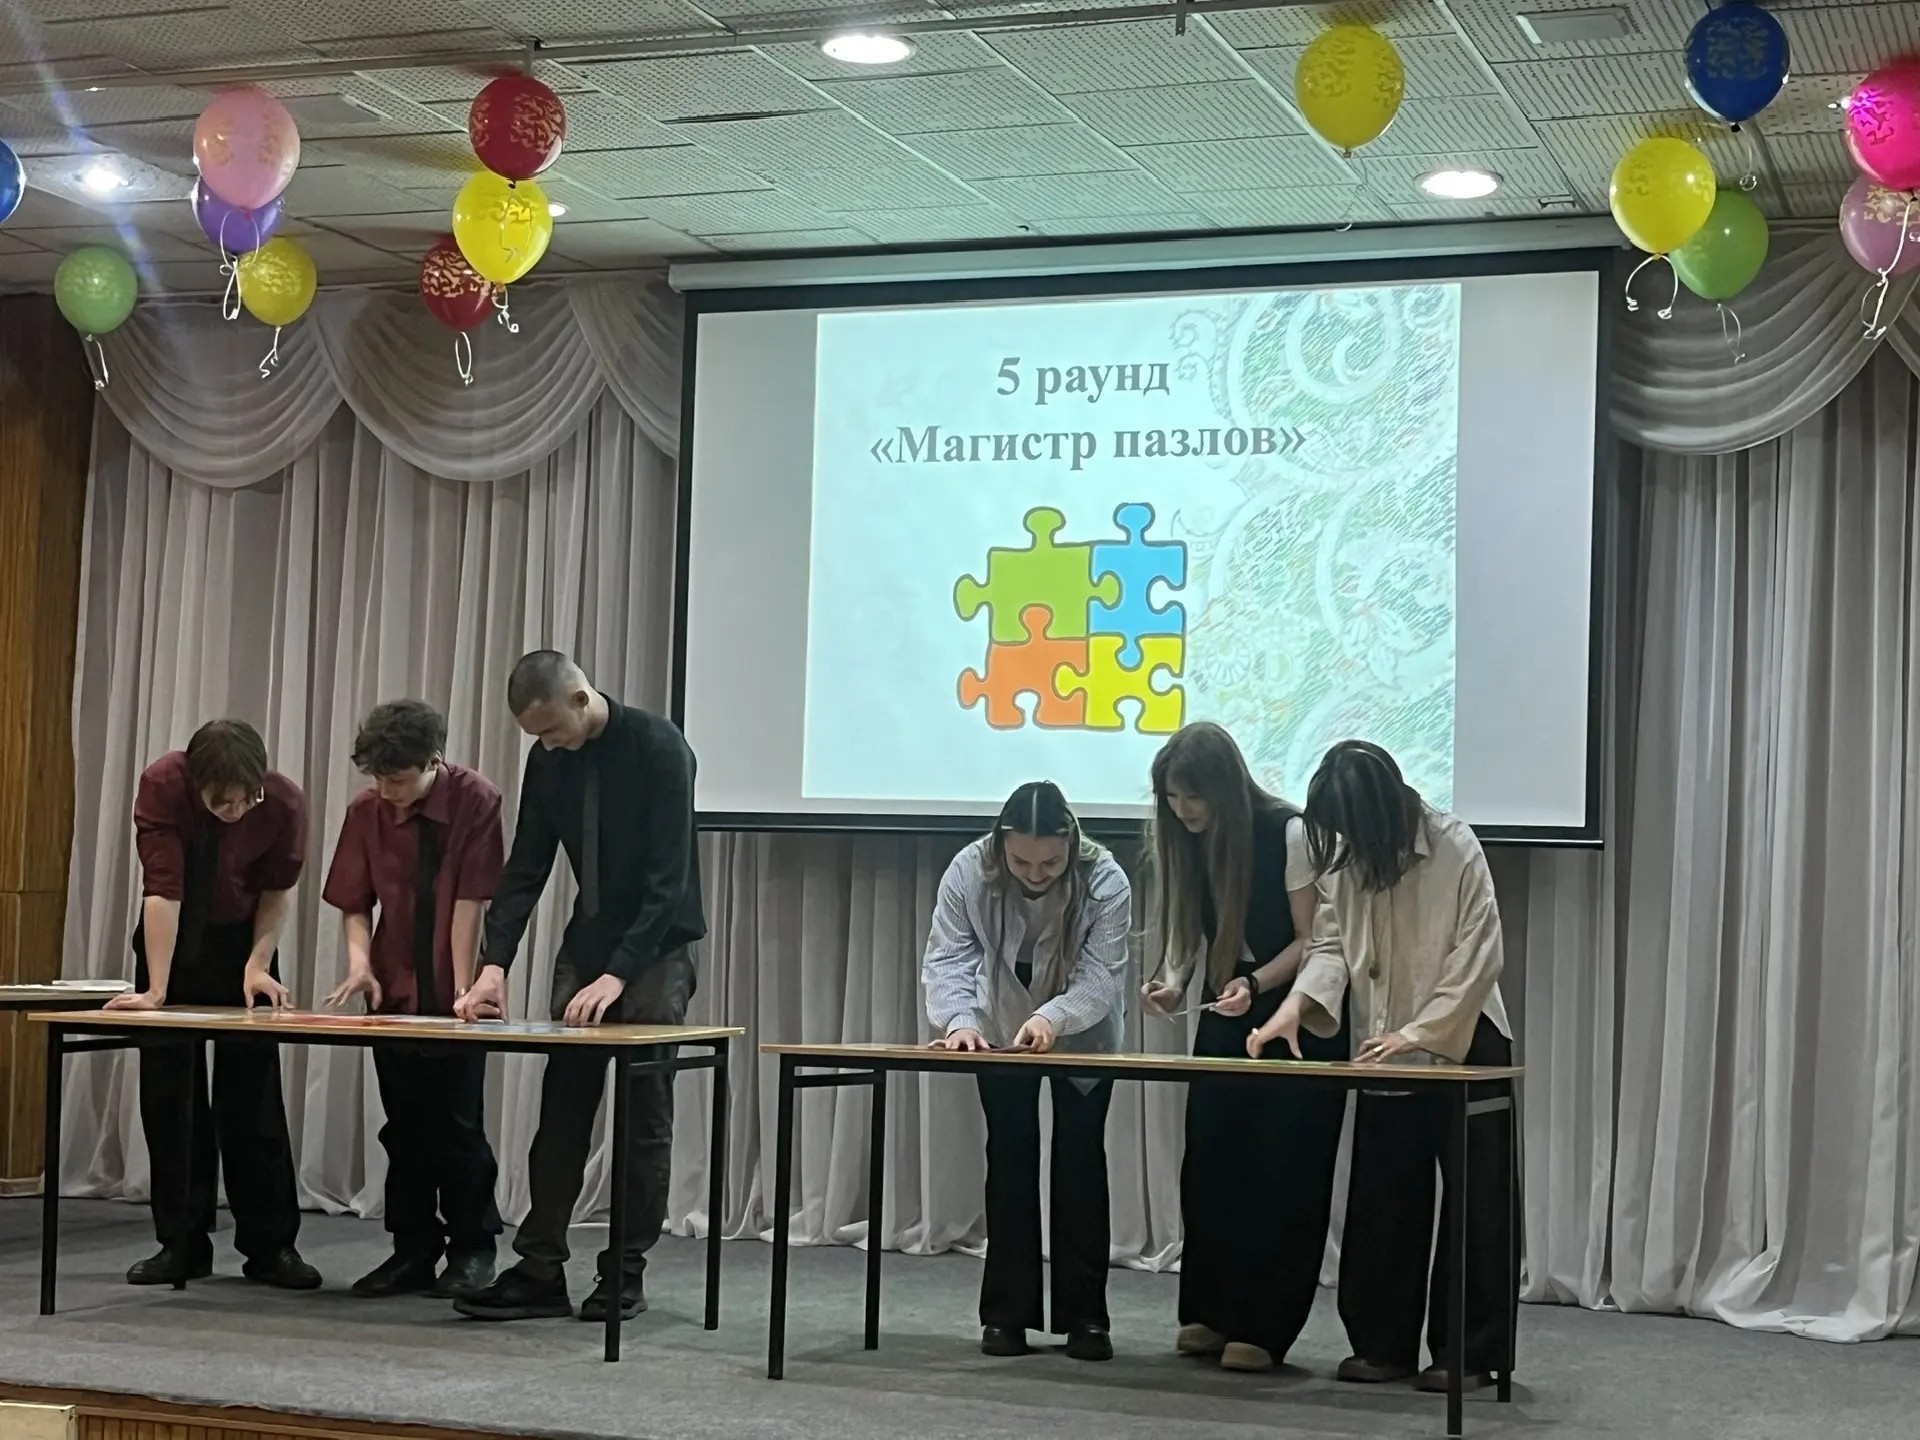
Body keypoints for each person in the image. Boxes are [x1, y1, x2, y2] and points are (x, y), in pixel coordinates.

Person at [1252, 739, 1516, 1394]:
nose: (1345, 844)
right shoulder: (1346, 856)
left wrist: (1419, 1032)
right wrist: (1295, 1007)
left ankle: (1468, 1353)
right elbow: (1331, 942)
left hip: (1468, 1041)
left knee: (1478, 1204)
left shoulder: (1453, 844)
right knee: (1383, 1195)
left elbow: (1479, 955)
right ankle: (1381, 1343)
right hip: (1382, 1044)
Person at [450, 651, 705, 1323]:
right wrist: (494, 964)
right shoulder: (549, 761)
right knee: (562, 1109)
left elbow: (669, 878)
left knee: (643, 1117)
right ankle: (540, 1268)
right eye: (534, 736)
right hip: (588, 946)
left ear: (581, 699)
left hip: (656, 951)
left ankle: (624, 1271)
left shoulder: (659, 748)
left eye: (551, 729)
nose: (546, 744)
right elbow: (526, 865)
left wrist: (619, 972)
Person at [1140, 722, 1347, 1373]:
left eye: (1193, 797)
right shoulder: (1186, 840)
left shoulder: (1288, 832)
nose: (1183, 811)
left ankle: (1265, 1325)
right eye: (1173, 798)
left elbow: (1313, 940)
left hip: (1297, 1013)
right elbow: (1191, 931)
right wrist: (1173, 983)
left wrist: (1256, 985)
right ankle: (1210, 1311)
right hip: (1226, 1008)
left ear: (1225, 789)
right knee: (1212, 1158)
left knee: (1281, 1168)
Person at [105, 719, 318, 1290]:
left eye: (246, 799)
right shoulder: (164, 784)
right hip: (171, 938)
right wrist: (156, 990)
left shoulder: (282, 801)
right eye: (222, 801)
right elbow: (162, 887)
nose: (236, 810)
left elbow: (276, 891)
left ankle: (271, 1247)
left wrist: (259, 962)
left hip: (244, 945)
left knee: (253, 1097)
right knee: (171, 1097)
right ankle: (181, 1244)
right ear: (197, 783)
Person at [924, 781, 1131, 1363]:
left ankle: (1086, 1318)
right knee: (1010, 1159)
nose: (1036, 875)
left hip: (1083, 1030)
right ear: (1001, 844)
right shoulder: (968, 869)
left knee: (1081, 1161)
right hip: (996, 1027)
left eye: (1051, 863)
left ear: (1071, 845)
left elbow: (1101, 975)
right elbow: (948, 956)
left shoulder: (1105, 878)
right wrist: (960, 1022)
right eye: (1021, 862)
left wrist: (1051, 1018)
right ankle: (1005, 1315)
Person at [321, 700, 506, 1299]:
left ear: (434, 761)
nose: (387, 792)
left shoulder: (476, 800)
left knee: (458, 1125)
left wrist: (463, 990)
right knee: (403, 1128)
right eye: (378, 778)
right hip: (392, 988)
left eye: (398, 779)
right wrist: (359, 964)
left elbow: (470, 903)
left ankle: (473, 1249)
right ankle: (411, 1250)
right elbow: (355, 901)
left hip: (455, 993)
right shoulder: (366, 809)